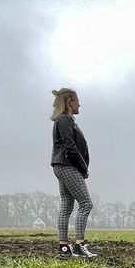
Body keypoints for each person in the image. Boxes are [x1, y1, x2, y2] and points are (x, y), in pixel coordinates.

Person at [50, 88, 97, 258]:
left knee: (67, 206)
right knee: (86, 203)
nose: (80, 104)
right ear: (70, 101)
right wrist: (83, 167)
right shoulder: (64, 120)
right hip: (67, 165)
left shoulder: (65, 120)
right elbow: (70, 146)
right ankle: (79, 244)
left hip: (61, 165)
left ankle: (64, 248)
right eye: (77, 101)